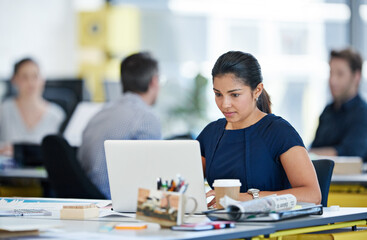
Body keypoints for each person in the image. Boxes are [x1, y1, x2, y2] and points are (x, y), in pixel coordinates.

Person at [197, 51, 321, 207]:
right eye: (218, 94)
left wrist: (246, 198)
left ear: (257, 90)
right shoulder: (211, 134)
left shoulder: (279, 131)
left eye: (234, 95)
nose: (224, 104)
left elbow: (312, 195)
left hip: (270, 228)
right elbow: (185, 185)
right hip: (220, 225)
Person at [78, 52, 161, 199]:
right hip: (117, 203)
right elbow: (151, 178)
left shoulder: (99, 114)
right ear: (154, 82)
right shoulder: (146, 117)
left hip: (89, 200)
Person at [310, 48, 367, 159]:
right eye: (331, 73)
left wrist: (307, 154)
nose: (332, 80)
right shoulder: (328, 111)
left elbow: (350, 153)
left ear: (356, 77)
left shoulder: (362, 113)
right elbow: (315, 146)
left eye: (340, 74)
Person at [0, 58, 65, 156]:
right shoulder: (3, 111)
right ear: (14, 80)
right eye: (24, 77)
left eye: (35, 76)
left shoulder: (57, 115)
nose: (30, 82)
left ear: (42, 80)